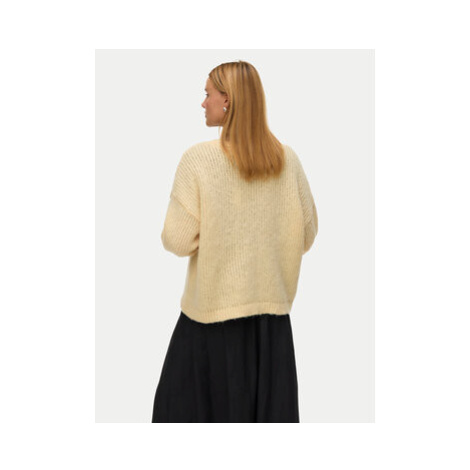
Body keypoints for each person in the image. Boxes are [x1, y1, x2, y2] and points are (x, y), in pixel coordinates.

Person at [151, 60, 319, 423]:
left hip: (210, 324)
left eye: (208, 94)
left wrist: (218, 234)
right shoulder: (288, 160)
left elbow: (177, 239)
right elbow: (306, 234)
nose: (203, 103)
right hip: (271, 331)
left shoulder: (198, 160)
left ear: (227, 100)